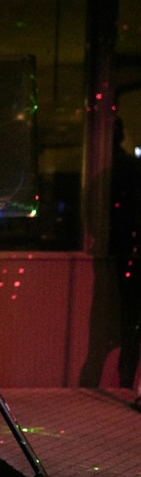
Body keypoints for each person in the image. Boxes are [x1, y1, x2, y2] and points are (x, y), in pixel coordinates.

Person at [109, 117, 141, 410]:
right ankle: (128, 382)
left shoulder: (119, 168)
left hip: (127, 253)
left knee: (131, 321)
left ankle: (127, 380)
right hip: (129, 252)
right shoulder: (129, 167)